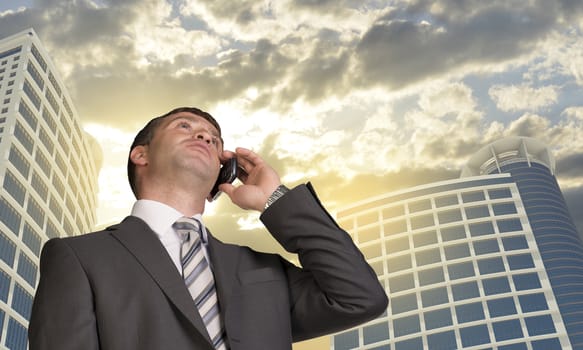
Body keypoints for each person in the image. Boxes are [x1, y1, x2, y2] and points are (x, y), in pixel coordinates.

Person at [28, 106, 388, 350]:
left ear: (222, 172)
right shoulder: (79, 256)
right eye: (185, 127)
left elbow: (359, 298)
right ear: (141, 154)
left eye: (214, 140)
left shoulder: (261, 270)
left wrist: (273, 199)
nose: (204, 138)